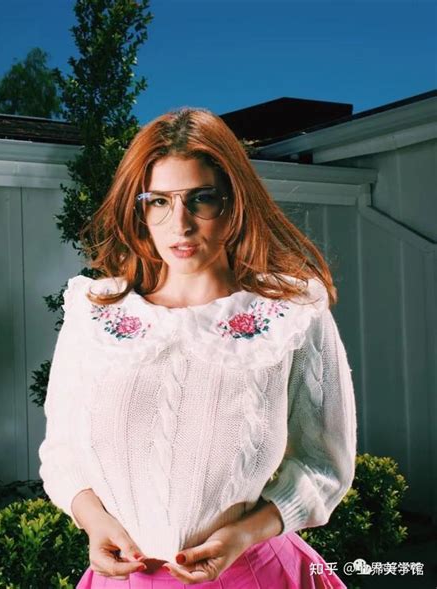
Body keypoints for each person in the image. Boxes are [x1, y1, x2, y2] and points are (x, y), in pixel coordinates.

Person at [38, 107, 357, 588]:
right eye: (159, 201)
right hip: (124, 580)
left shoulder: (290, 315)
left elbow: (324, 466)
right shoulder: (96, 314)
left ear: (235, 203)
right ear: (140, 210)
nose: (180, 224)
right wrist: (94, 521)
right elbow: (62, 453)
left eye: (201, 199)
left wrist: (242, 536)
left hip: (256, 575)